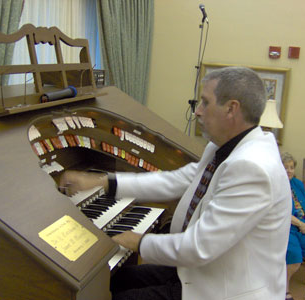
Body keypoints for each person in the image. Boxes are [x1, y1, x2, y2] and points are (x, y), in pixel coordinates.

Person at [59, 67, 291, 300]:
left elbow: (199, 247)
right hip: (198, 271)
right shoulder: (223, 148)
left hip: (225, 289)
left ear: (231, 109)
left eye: (205, 102)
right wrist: (103, 182)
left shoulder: (252, 167)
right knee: (114, 280)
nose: (198, 111)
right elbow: (175, 180)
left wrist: (136, 240)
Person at [282, 152, 305, 300]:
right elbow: (281, 212)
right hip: (288, 228)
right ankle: (284, 289)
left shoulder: (297, 183)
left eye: (291, 167)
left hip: (304, 225)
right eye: (285, 167)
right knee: (295, 260)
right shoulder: (277, 185)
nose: (289, 170)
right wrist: (302, 224)